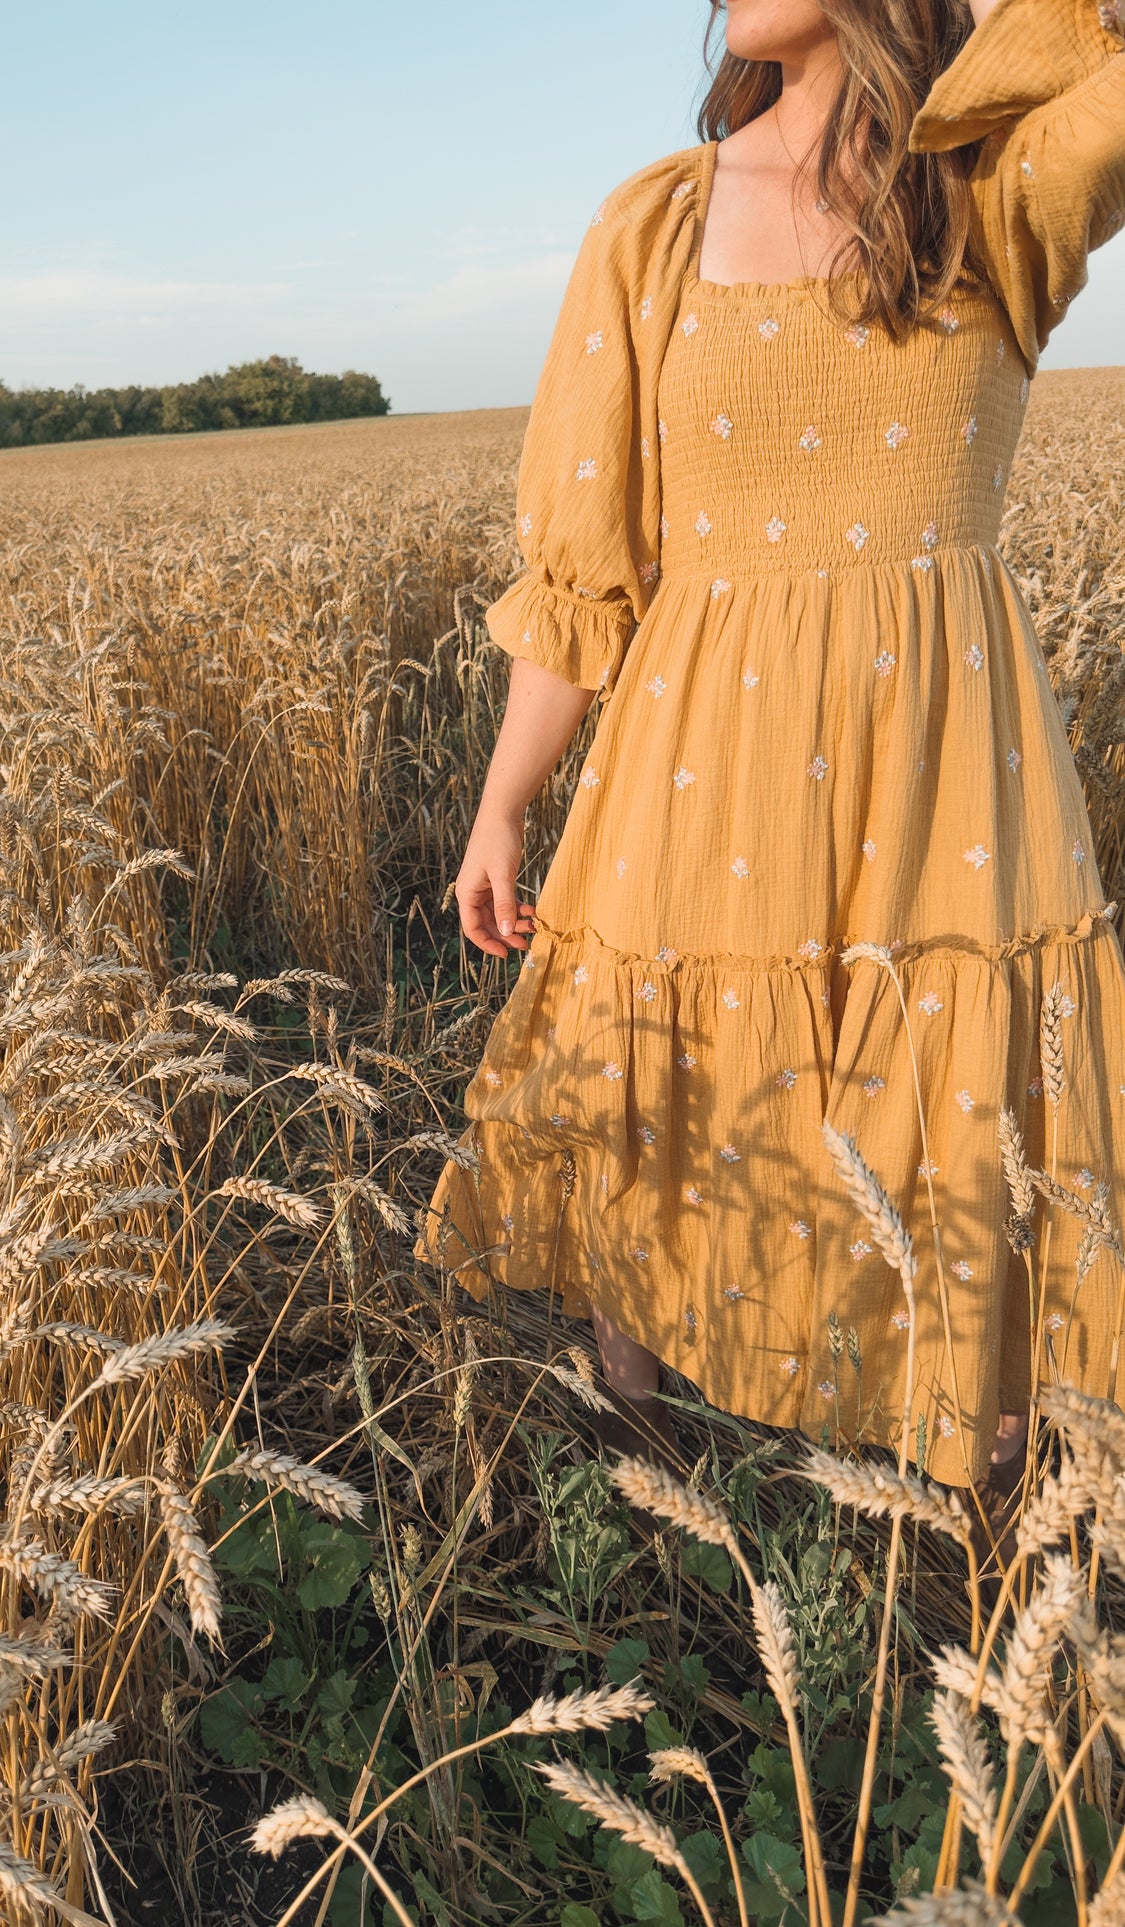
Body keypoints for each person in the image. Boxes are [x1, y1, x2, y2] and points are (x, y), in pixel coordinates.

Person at [414, 0, 1125, 1561]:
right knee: (663, 1119)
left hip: (948, 777)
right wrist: (502, 800)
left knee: (965, 1128)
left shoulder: (1000, 189)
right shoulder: (653, 226)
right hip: (690, 762)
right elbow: (587, 564)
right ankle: (653, 1536)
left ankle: (990, 1570)